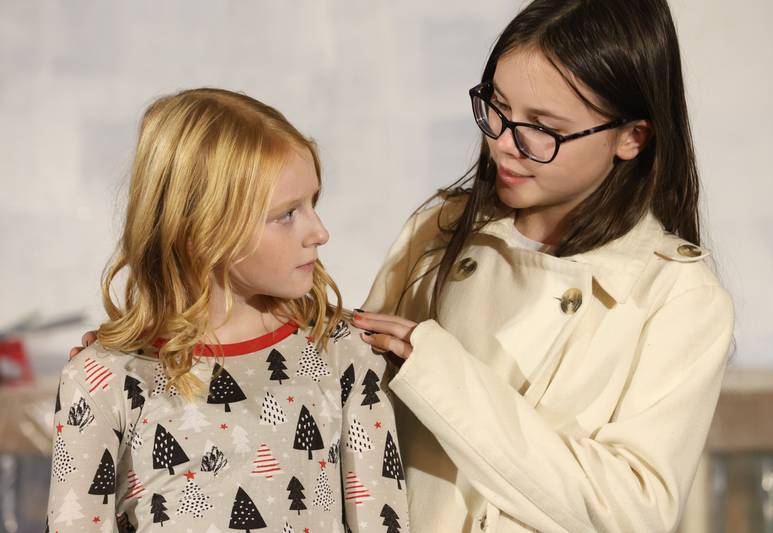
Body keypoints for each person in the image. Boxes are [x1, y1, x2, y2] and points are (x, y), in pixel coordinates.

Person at [353, 0, 734, 531]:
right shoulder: (438, 230)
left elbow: (631, 512)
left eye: (543, 128)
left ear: (632, 137)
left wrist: (438, 372)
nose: (503, 145)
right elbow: (352, 425)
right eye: (498, 107)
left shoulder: (676, 296)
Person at [48, 88, 408, 532]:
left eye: (313, 203)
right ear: (199, 231)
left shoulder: (343, 353)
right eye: (287, 214)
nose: (319, 231)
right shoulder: (103, 380)